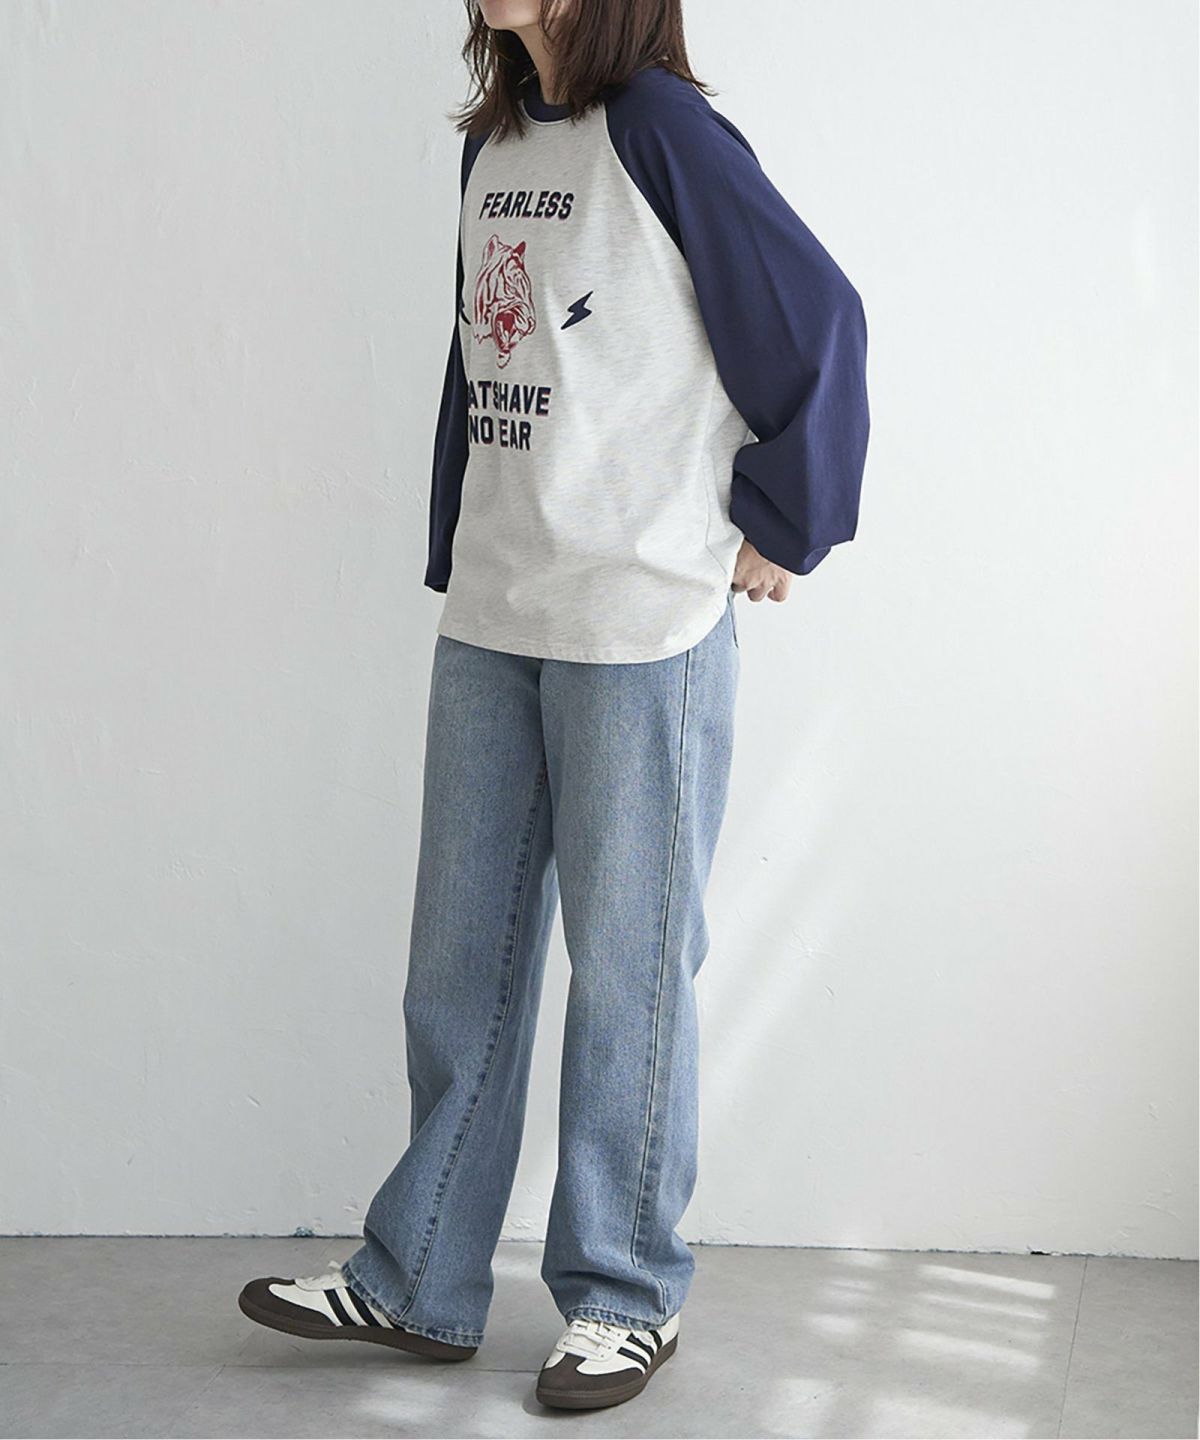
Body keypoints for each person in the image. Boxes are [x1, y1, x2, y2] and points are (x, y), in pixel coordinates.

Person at [238, 0, 869, 1413]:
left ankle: (626, 1295)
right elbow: (486, 358)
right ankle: (419, 1278)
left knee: (630, 971)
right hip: (498, 607)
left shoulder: (664, 132)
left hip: (640, 618)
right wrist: (456, 539)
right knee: (458, 965)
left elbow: (820, 316)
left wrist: (791, 517)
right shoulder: (499, 142)